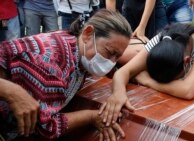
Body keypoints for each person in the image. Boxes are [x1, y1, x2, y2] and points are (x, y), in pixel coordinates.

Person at [0, 9, 132, 140]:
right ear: (87, 34)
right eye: (109, 52)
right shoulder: (50, 64)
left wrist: (119, 91)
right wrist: (91, 117)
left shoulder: (77, 47)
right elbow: (45, 128)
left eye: (117, 57)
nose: (110, 62)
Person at [98, 23, 194, 127]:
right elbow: (123, 72)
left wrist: (146, 80)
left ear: (187, 61)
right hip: (190, 83)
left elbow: (188, 91)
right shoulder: (162, 39)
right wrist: (117, 93)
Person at [106, 0, 194, 43]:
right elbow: (110, 1)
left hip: (168, 5)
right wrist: (114, 26)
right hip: (132, 6)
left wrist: (142, 27)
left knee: (173, 40)